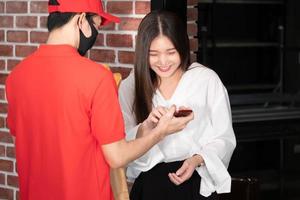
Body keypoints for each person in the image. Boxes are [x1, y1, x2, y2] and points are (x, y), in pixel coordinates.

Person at [5, 1, 193, 200]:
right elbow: (117, 156)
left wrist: (144, 127)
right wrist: (161, 131)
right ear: (80, 20)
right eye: (95, 24)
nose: (95, 33)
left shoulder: (16, 77)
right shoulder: (97, 77)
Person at [118, 10, 237, 200]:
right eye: (153, 54)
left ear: (182, 47)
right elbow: (121, 144)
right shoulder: (131, 87)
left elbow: (224, 138)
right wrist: (145, 129)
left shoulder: (205, 80)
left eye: (171, 52)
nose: (163, 62)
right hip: (149, 188)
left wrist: (197, 160)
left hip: (195, 183)